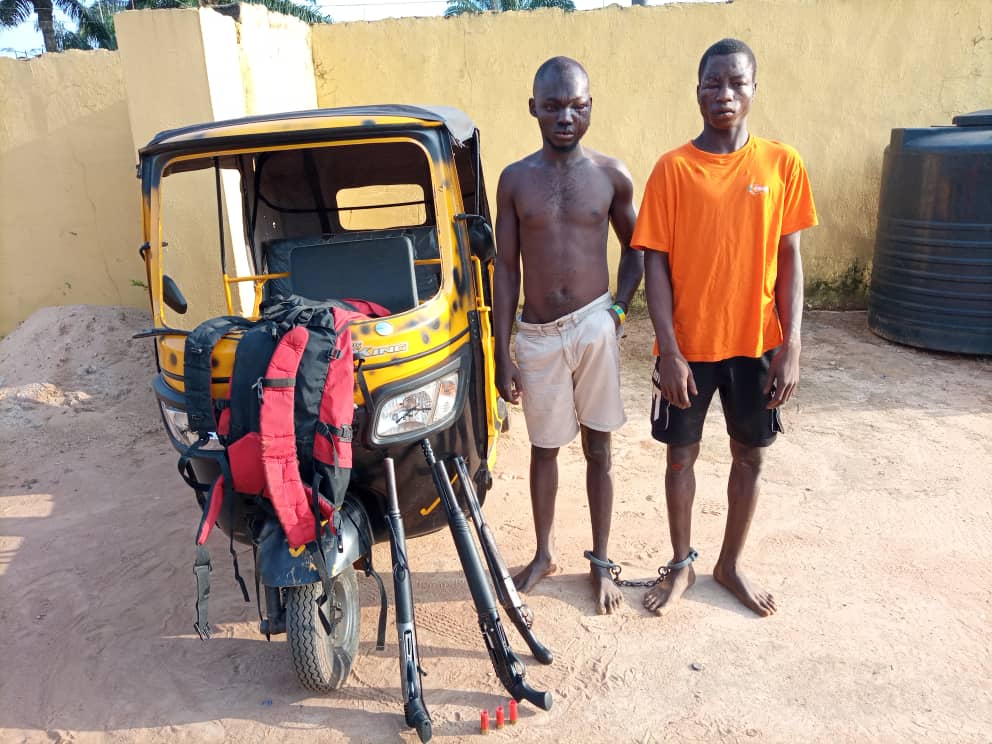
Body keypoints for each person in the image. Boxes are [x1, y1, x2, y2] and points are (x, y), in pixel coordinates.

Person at [631, 38, 817, 617]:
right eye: (713, 83)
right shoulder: (673, 169)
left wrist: (792, 344)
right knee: (679, 458)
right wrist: (668, 350)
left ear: (754, 89)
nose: (725, 94)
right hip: (688, 347)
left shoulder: (781, 164)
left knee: (750, 456)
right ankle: (682, 563)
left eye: (737, 83)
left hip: (757, 344)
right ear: (698, 92)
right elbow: (654, 263)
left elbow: (790, 258)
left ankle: (730, 563)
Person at [494, 56, 643, 615]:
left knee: (599, 446)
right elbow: (505, 268)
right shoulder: (515, 180)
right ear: (533, 108)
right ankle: (544, 554)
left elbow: (639, 249)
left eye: (577, 106)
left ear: (590, 108)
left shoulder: (611, 175)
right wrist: (502, 350)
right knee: (544, 447)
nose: (565, 117)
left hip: (594, 323)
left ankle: (601, 561)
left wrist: (618, 312)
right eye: (553, 106)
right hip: (536, 333)